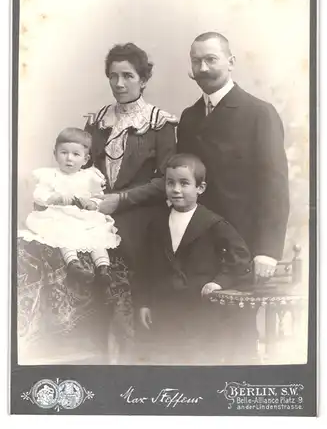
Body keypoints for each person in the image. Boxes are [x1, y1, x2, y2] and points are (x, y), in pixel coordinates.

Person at [84, 42, 178, 362]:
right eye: (113, 76)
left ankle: (131, 355)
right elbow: (85, 170)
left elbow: (164, 180)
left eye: (128, 76)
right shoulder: (97, 121)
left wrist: (120, 200)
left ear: (143, 79)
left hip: (140, 216)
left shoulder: (158, 123)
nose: (120, 84)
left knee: (129, 275)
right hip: (97, 214)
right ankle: (97, 353)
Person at [178, 32, 290, 277]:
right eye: (196, 61)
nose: (203, 68)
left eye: (211, 59)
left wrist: (268, 250)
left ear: (231, 62)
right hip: (197, 246)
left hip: (242, 247)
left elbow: (275, 185)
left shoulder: (259, 113)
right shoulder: (189, 117)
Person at [136, 154, 252, 365]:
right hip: (165, 309)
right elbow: (146, 267)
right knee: (166, 361)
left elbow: (241, 258)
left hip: (199, 311)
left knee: (197, 361)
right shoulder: (156, 223)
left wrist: (219, 282)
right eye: (170, 183)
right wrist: (144, 303)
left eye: (184, 183)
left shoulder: (213, 223)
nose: (176, 189)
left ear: (201, 188)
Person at [19, 127, 121, 284]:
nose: (69, 159)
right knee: (62, 232)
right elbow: (39, 196)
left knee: (97, 234)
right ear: (55, 154)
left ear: (85, 159)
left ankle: (103, 269)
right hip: (59, 214)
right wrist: (55, 198)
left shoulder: (90, 177)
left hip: (82, 216)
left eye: (76, 154)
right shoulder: (49, 175)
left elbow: (99, 197)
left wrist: (92, 203)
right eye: (64, 152)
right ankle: (73, 264)